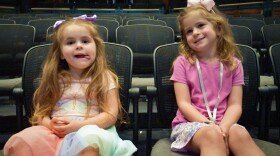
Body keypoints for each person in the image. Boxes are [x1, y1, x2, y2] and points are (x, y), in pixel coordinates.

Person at [4, 15, 137, 156]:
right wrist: (50, 125)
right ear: (60, 53)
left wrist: (78, 126)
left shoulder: (105, 77)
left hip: (92, 129)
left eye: (85, 41)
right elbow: (41, 113)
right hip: (55, 132)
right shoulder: (53, 78)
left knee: (88, 140)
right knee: (24, 140)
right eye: (70, 42)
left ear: (96, 47)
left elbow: (110, 115)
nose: (79, 45)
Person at [170, 1, 265, 156]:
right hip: (190, 124)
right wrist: (210, 125)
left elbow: (235, 105)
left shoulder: (234, 64)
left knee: (239, 134)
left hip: (224, 122)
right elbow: (184, 104)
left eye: (200, 25)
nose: (195, 32)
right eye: (188, 31)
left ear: (218, 29)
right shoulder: (182, 63)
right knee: (211, 136)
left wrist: (224, 128)